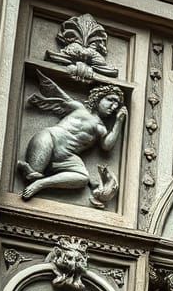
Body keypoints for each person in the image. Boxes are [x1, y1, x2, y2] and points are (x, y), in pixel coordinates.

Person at [17, 73, 127, 201]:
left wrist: (119, 121)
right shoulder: (79, 108)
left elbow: (107, 146)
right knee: (34, 172)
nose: (113, 107)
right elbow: (58, 97)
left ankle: (40, 183)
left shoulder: (101, 128)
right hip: (49, 139)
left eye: (116, 104)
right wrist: (40, 98)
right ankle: (32, 173)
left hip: (66, 157)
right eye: (110, 100)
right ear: (98, 98)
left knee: (82, 178)